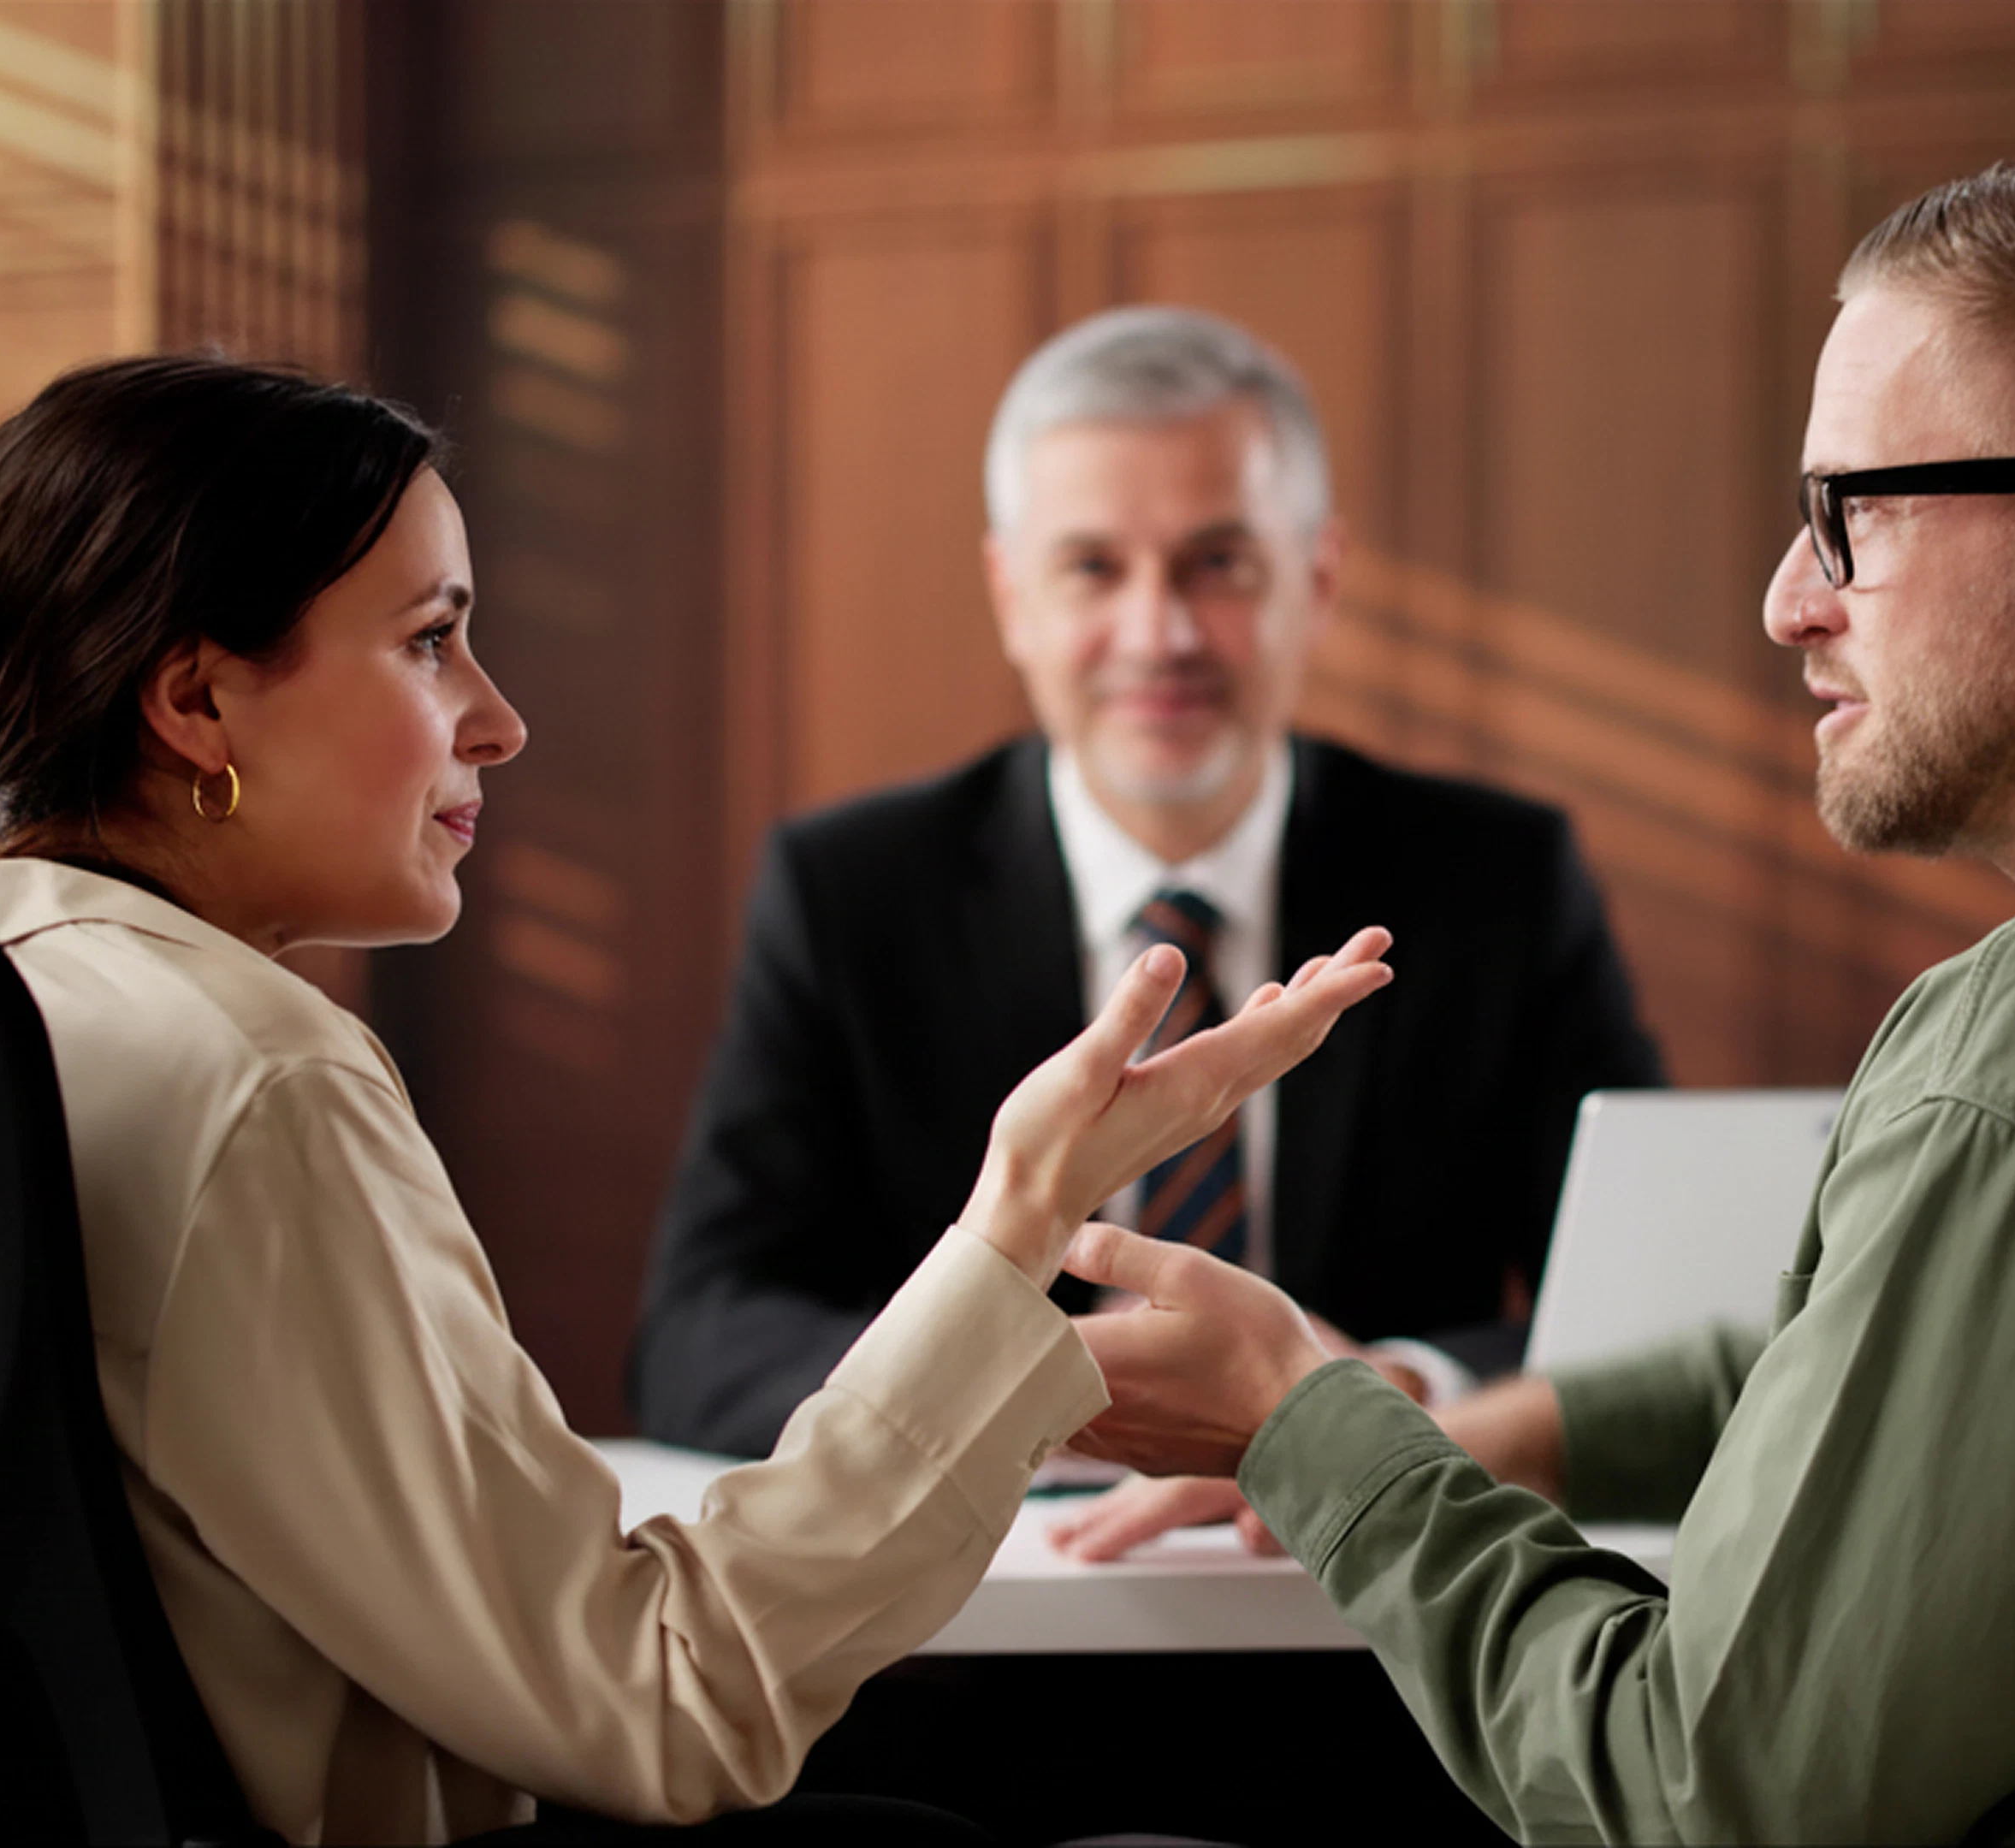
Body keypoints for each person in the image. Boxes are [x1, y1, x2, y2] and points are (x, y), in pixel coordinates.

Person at [1055, 163, 2015, 1843]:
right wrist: (1497, 1424)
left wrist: (1310, 1435)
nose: (1785, 600)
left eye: (1847, 517)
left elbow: (1700, 1792)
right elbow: (1985, 1375)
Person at [0, 353, 1392, 1845]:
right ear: (196, 704)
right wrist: (1021, 1224)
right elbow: (659, 1703)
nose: (497, 719)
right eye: (428, 641)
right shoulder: (250, 1077)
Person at [628, 305, 1664, 1502]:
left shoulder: (1499, 881)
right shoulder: (851, 893)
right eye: (1093, 570)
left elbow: (1644, 1308)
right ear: (1012, 595)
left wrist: (1396, 1389)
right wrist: (1047, 1389)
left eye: (1217, 565)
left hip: (1383, 1623)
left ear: (1317, 583)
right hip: (991, 1633)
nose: (1158, 633)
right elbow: (700, 1336)